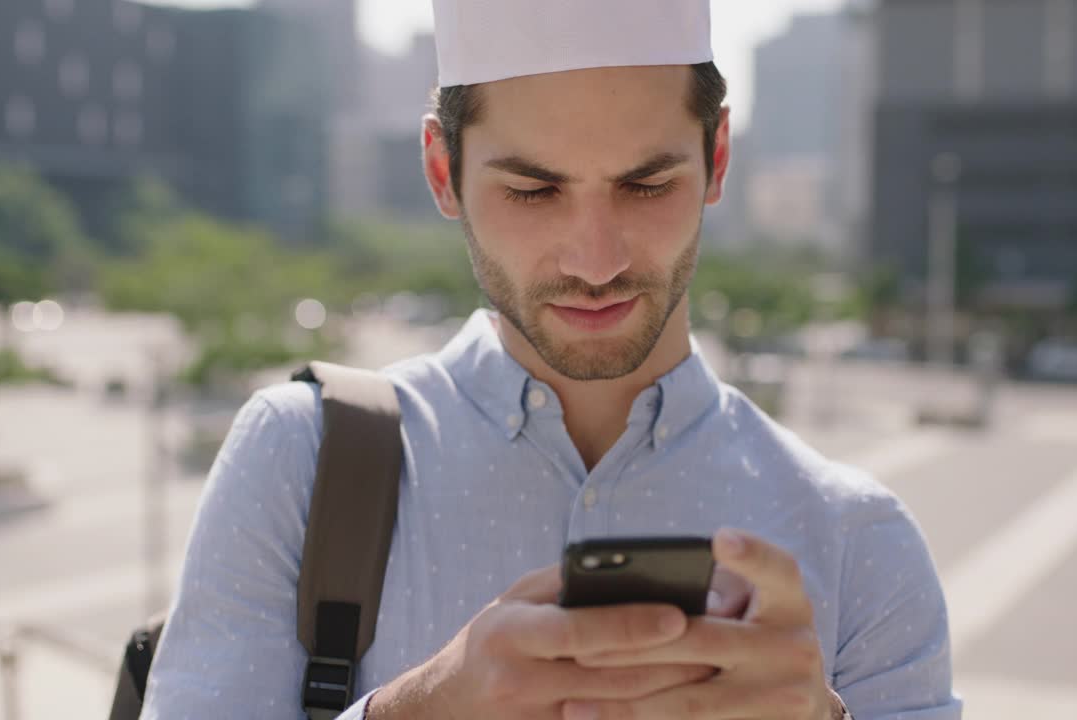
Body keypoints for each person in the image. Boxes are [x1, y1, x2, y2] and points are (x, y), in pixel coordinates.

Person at [140, 1, 962, 718]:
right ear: (442, 172)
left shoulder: (862, 543)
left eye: (646, 185)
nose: (595, 259)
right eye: (533, 192)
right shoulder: (302, 459)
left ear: (715, 160)